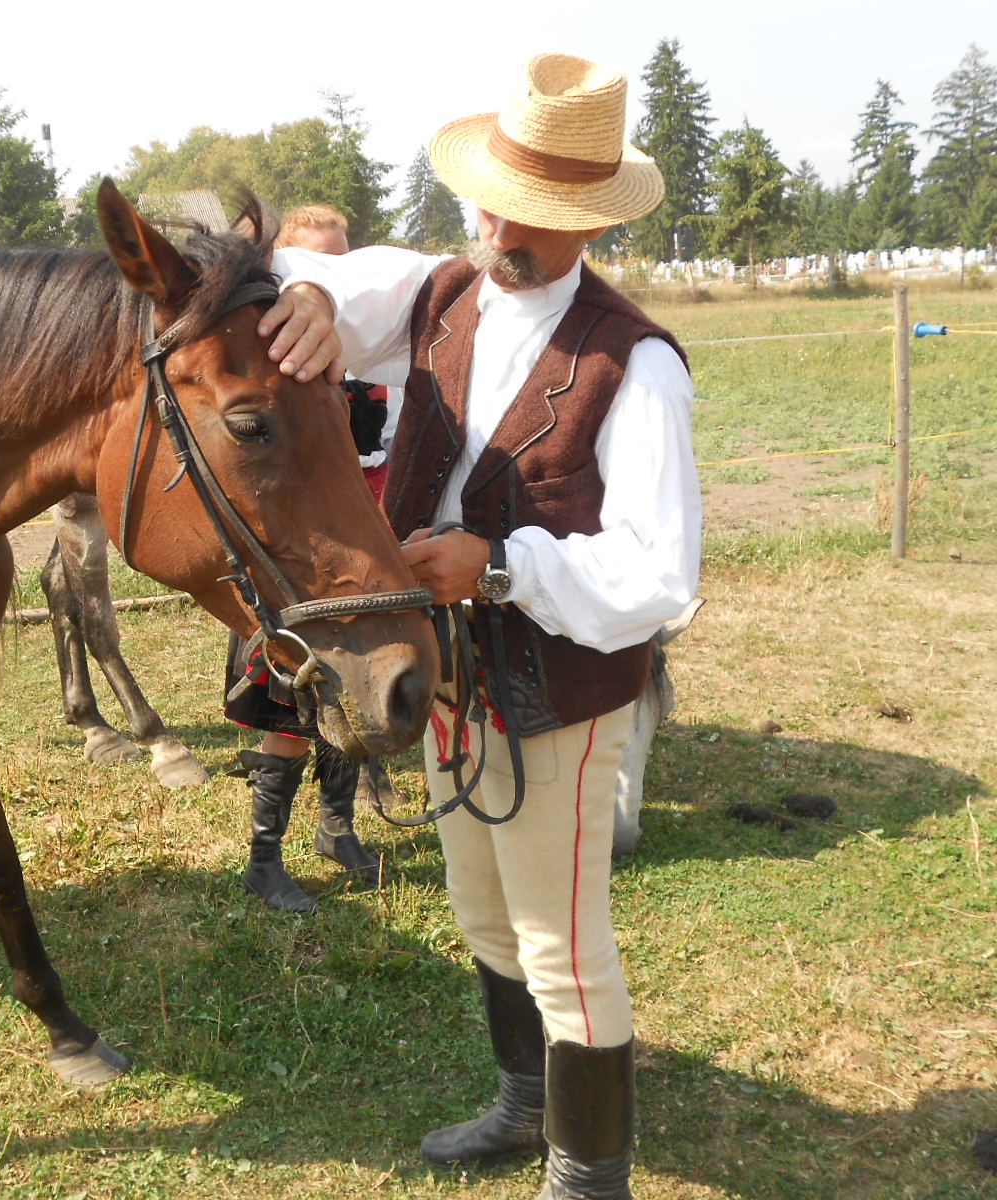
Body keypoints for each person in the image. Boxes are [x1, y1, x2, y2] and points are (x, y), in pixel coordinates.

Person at [256, 53, 702, 1200]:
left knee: (561, 942)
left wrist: (497, 569)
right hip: (445, 679)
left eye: (538, 215)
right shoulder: (445, 290)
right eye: (497, 198)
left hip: (555, 689)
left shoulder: (633, 362)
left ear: (588, 222)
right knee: (482, 912)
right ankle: (519, 1103)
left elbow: (659, 575)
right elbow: (340, 289)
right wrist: (307, 298)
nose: (505, 227)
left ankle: (588, 1173)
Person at [225, 204, 387, 914]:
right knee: (290, 719)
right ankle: (264, 862)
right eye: (315, 263)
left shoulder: (368, 354)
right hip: (296, 570)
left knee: (347, 704)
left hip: (356, 563)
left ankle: (336, 828)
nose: (331, 278)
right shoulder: (273, 376)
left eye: (341, 263)